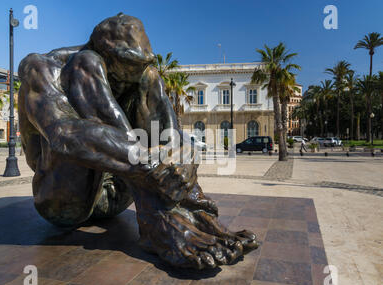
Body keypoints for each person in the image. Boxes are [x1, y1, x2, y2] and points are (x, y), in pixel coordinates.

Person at [18, 13, 257, 269]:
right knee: (84, 69)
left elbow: (170, 137)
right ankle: (159, 222)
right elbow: (64, 135)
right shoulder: (43, 68)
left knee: (149, 78)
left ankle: (194, 214)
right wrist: (154, 167)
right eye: (129, 64)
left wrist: (184, 161)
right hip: (64, 202)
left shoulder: (143, 74)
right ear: (106, 53)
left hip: (118, 198)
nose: (138, 71)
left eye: (143, 62)